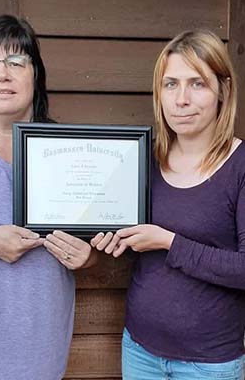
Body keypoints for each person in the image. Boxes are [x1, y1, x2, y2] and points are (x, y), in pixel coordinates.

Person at [0, 13, 98, 380]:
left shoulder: (73, 151)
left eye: (16, 61)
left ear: (35, 75)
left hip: (39, 359)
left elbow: (96, 249)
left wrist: (88, 257)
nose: (2, 74)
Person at [91, 29, 245, 379]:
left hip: (208, 364)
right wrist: (113, 240)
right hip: (139, 349)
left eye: (197, 84)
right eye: (170, 84)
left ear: (223, 90)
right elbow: (133, 237)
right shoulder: (144, 159)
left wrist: (168, 242)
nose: (181, 99)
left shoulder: (240, 165)